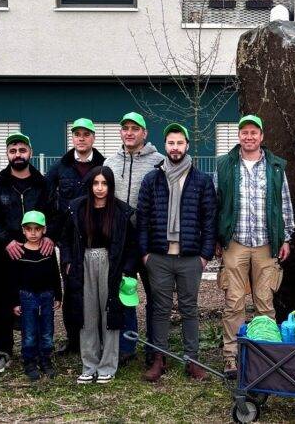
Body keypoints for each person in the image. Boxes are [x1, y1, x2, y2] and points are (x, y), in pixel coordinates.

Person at [214, 114, 295, 378]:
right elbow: (218, 203)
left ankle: (265, 355)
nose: (249, 137)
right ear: (239, 136)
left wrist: (286, 237)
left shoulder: (275, 166)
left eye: (254, 133)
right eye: (244, 132)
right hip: (235, 242)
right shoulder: (225, 165)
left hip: (266, 243)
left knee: (265, 301)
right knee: (233, 302)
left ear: (261, 136)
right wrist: (218, 238)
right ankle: (231, 357)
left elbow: (284, 203)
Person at [138, 123, 217, 382]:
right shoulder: (152, 179)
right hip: (159, 257)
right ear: (165, 146)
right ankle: (159, 359)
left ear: (187, 145)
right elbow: (143, 218)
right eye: (171, 143)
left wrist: (204, 255)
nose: (175, 148)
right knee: (160, 309)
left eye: (179, 143)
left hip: (190, 257)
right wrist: (145, 254)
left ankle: (192, 360)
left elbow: (209, 220)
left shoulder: (201, 180)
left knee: (189, 309)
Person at [0, 131, 57, 375]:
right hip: (7, 255)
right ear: (7, 154)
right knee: (4, 302)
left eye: (22, 150)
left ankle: (40, 350)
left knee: (38, 302)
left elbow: (55, 213)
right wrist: (6, 241)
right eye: (13, 151)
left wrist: (50, 235)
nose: (18, 155)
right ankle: (3, 351)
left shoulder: (43, 184)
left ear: (30, 153)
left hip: (39, 253)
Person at [60, 166, 138, 385]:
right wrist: (66, 261)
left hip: (111, 264)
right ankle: (89, 365)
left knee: (110, 314)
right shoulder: (77, 208)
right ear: (90, 185)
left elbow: (132, 245)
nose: (100, 188)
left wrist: (127, 270)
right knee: (87, 314)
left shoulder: (121, 212)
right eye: (96, 183)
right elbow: (65, 238)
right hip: (82, 262)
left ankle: (107, 366)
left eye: (104, 183)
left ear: (111, 186)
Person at [104, 111, 164, 364]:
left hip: (150, 239)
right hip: (122, 241)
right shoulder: (110, 162)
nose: (129, 132)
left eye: (135, 128)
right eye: (125, 128)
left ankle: (155, 347)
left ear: (144, 133)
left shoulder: (159, 161)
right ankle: (127, 347)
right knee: (124, 292)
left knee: (156, 295)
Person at [45, 117, 106, 356]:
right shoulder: (60, 167)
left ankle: (98, 338)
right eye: (77, 134)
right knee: (72, 288)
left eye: (86, 134)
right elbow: (49, 200)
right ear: (72, 138)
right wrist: (53, 232)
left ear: (93, 137)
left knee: (99, 289)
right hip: (69, 239)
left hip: (97, 236)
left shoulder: (103, 164)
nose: (81, 138)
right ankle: (73, 339)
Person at [13, 211, 62, 381]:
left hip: (46, 295)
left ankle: (46, 359)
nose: (33, 233)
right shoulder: (20, 252)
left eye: (37, 229)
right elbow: (14, 279)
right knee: (29, 331)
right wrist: (15, 302)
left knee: (47, 330)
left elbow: (55, 273)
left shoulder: (48, 251)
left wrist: (58, 295)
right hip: (27, 296)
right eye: (29, 229)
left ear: (44, 230)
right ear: (23, 230)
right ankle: (29, 361)